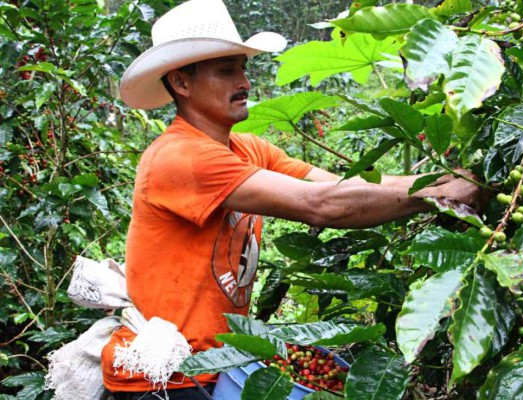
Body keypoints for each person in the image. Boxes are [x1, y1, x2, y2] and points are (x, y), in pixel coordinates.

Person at [100, 0, 483, 399]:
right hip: (164, 380)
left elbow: (338, 185)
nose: (244, 82)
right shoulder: (181, 157)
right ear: (181, 83)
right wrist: (442, 196)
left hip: (216, 367)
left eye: (243, 68)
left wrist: (443, 183)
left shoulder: (247, 148)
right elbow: (321, 205)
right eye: (227, 71)